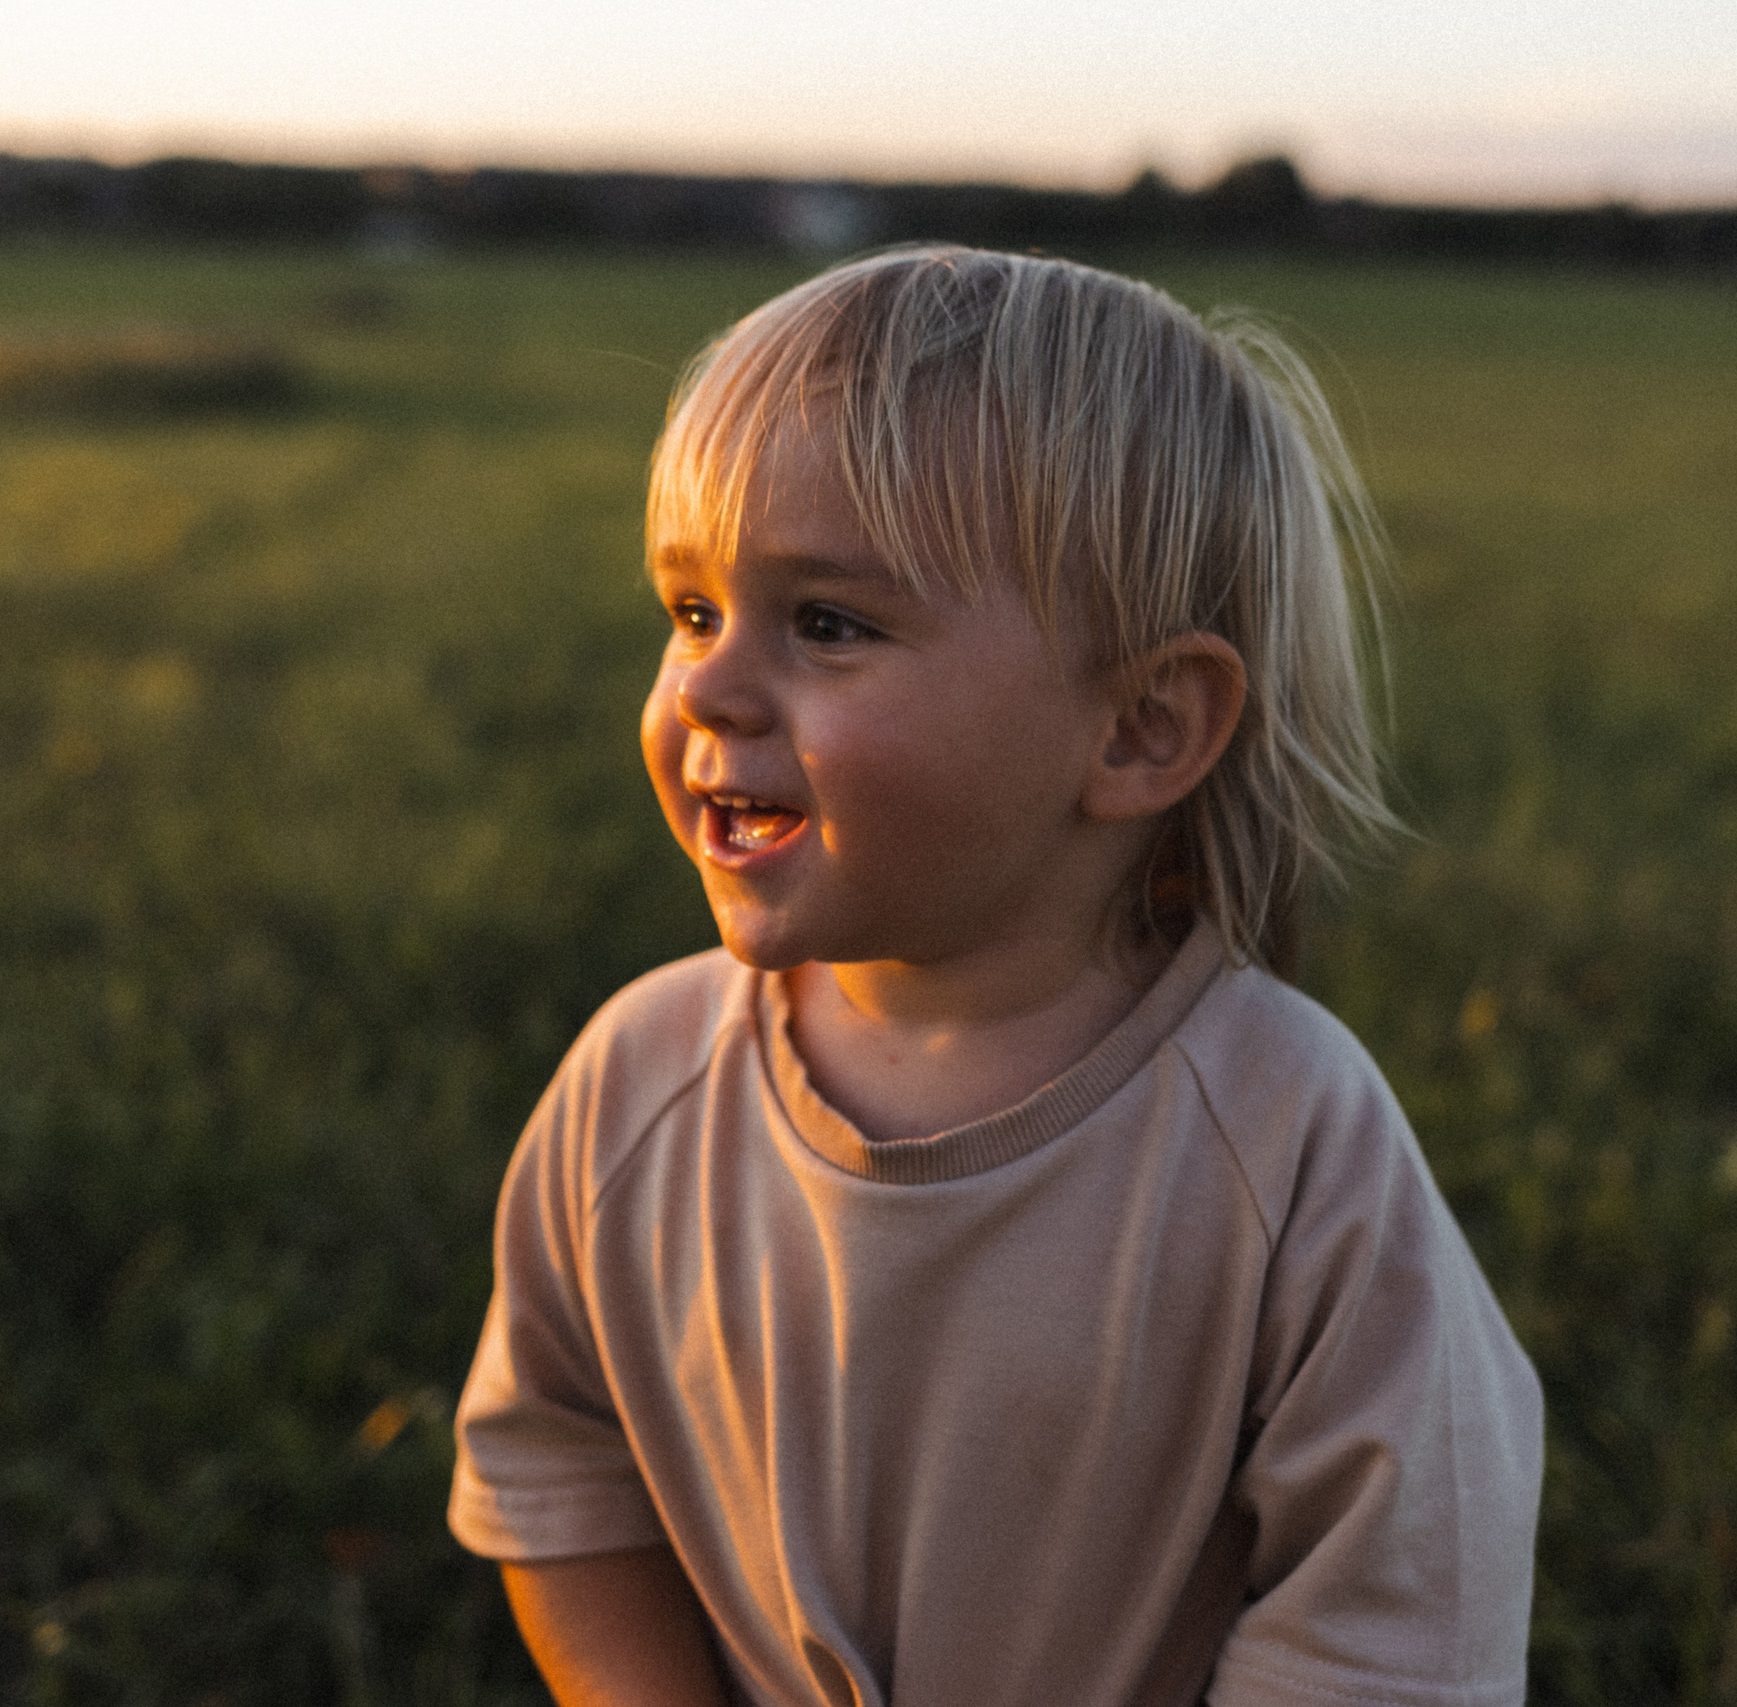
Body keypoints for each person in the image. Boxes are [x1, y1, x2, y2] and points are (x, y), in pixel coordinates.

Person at [449, 247, 1543, 1707]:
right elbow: (558, 1469)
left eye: (826, 624)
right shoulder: (638, 1085)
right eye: (694, 610)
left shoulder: (1288, 1147)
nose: (707, 685)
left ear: (1143, 730)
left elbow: (1394, 1623)